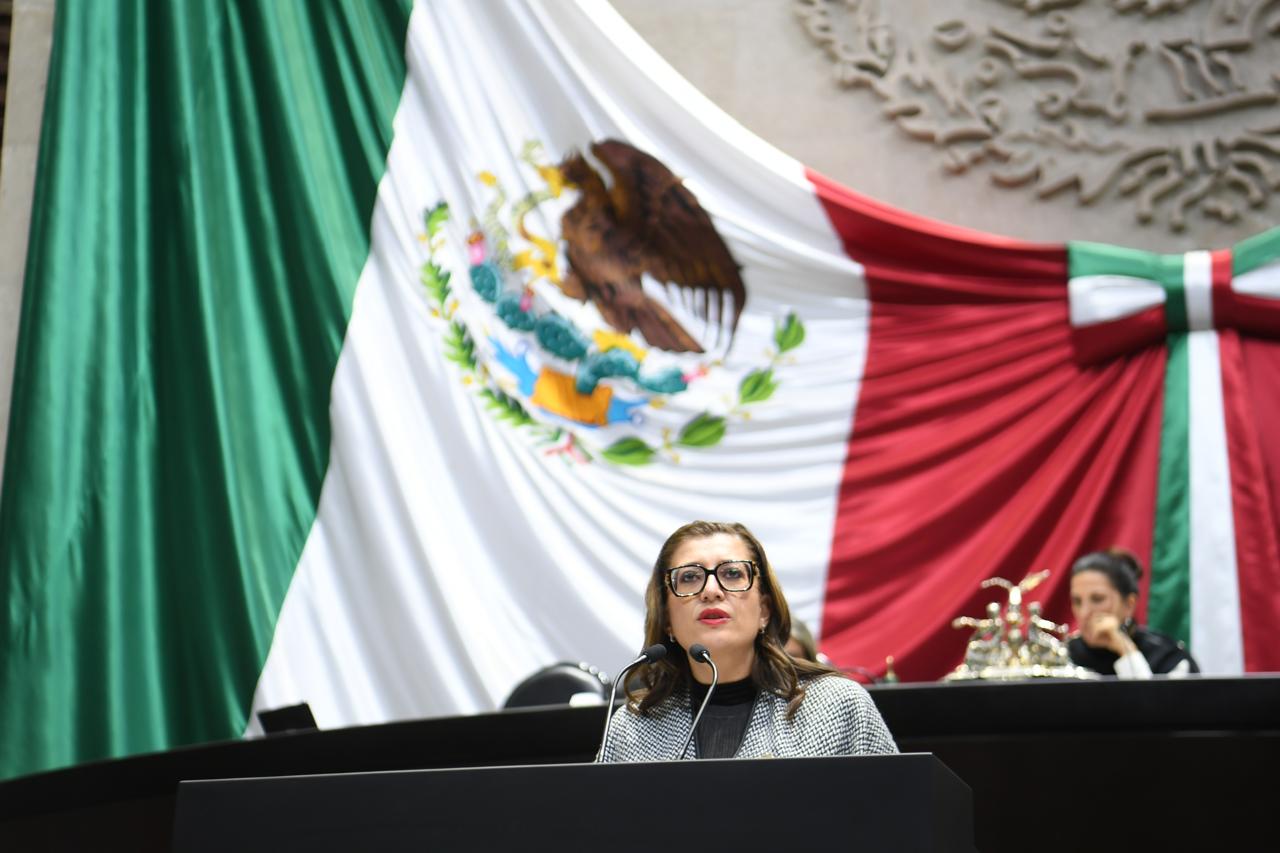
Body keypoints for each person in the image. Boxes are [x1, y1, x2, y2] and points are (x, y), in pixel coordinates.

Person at [598, 520, 898, 762]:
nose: (711, 590)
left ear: (764, 610)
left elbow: (898, 812)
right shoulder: (632, 728)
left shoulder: (838, 705)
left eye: (732, 573)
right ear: (667, 620)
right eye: (689, 577)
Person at [1067, 549, 1199, 679]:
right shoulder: (1066, 655)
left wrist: (1124, 648)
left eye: (1098, 599)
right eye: (1077, 601)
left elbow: (1150, 694)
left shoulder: (1168, 658)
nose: (1084, 613)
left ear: (1129, 604)